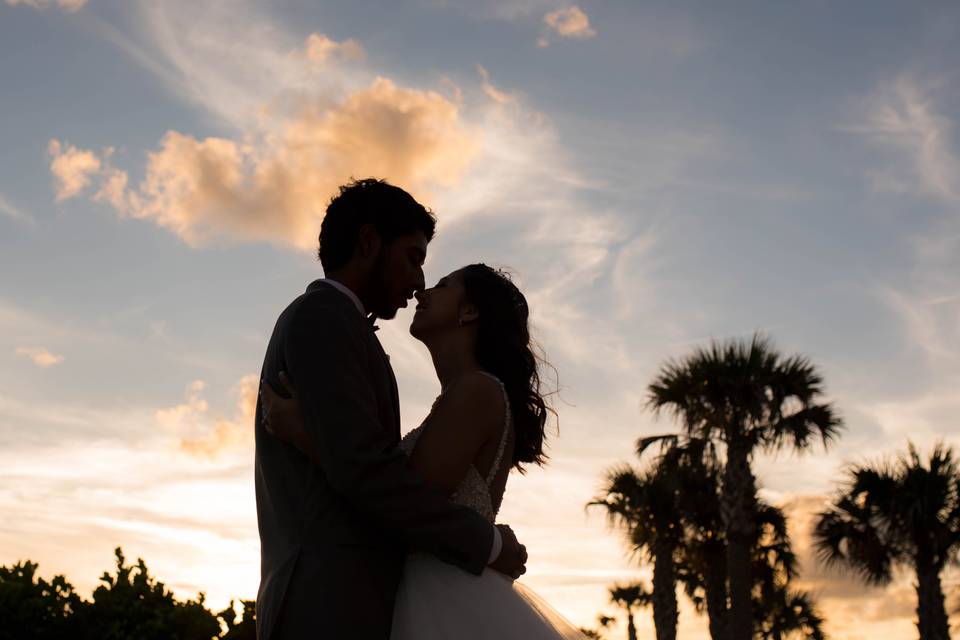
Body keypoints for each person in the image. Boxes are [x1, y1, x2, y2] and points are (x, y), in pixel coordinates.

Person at [254, 178, 528, 640]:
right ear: (368, 242)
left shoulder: (348, 330)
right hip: (326, 604)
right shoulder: (324, 318)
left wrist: (310, 435)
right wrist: (488, 543)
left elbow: (364, 466)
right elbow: (365, 472)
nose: (419, 282)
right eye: (413, 257)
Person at [262, 260, 588, 638]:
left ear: (469, 311)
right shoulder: (461, 396)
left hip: (443, 600)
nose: (422, 290)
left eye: (443, 285)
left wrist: (307, 436)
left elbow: (403, 498)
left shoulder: (477, 391)